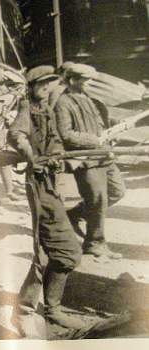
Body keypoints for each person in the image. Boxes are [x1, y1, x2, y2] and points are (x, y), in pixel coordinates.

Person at [9, 66, 86, 337]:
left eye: (49, 83)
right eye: (40, 84)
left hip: (51, 183)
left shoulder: (47, 110)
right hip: (38, 184)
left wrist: (55, 156)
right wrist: (32, 156)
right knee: (59, 251)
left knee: (56, 251)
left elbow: (55, 142)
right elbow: (16, 135)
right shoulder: (27, 109)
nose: (46, 87)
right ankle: (26, 312)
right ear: (31, 86)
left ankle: (47, 310)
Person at [55, 63, 125, 259]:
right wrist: (96, 140)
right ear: (72, 81)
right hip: (85, 160)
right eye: (87, 80)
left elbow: (99, 124)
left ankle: (75, 214)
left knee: (117, 191)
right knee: (97, 200)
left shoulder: (90, 98)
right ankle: (95, 243)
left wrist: (114, 129)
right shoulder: (63, 103)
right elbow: (66, 134)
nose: (91, 83)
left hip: (104, 155)